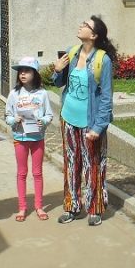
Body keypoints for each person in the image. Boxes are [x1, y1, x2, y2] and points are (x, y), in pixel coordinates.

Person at [51, 15, 118, 226]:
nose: (80, 26)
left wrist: (99, 127)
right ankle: (72, 207)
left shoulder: (102, 60)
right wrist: (57, 70)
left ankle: (95, 208)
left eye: (86, 25)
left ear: (94, 35)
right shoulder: (73, 52)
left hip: (90, 124)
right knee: (71, 164)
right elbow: (61, 83)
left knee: (93, 165)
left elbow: (106, 98)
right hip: (68, 119)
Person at [4, 56, 54, 221]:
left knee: (37, 173)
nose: (22, 74)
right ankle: (22, 208)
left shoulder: (43, 93)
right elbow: (8, 116)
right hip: (20, 138)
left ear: (35, 73)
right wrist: (14, 120)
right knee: (22, 173)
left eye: (26, 70)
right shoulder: (14, 94)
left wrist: (43, 122)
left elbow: (49, 115)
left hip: (37, 138)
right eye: (20, 71)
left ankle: (39, 206)